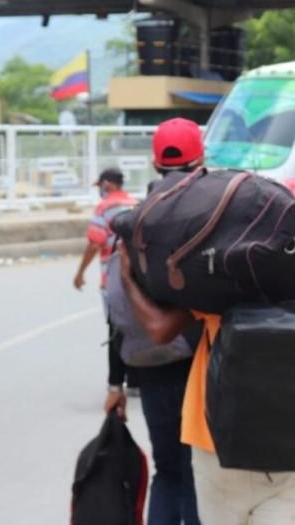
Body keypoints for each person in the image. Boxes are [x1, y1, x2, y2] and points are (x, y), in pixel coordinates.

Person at [118, 178, 295, 525]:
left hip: (214, 441)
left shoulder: (223, 286)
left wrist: (127, 275)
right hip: (290, 445)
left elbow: (159, 329)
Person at [108, 117, 206, 525]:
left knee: (168, 471)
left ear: (154, 164)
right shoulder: (206, 218)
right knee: (197, 475)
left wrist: (115, 383)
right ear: (201, 162)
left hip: (148, 370)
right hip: (197, 368)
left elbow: (115, 314)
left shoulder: (133, 223)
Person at [74, 168, 139, 404]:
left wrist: (80, 273)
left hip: (111, 280)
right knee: (135, 325)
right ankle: (135, 379)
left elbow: (94, 243)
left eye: (100, 185)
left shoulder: (103, 208)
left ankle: (116, 382)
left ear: (107, 184)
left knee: (116, 329)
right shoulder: (136, 204)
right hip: (136, 279)